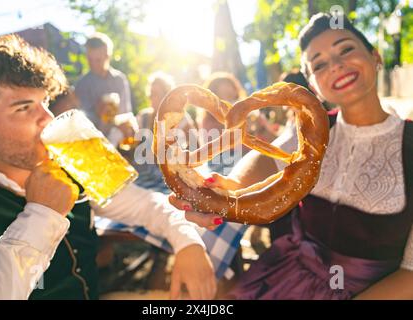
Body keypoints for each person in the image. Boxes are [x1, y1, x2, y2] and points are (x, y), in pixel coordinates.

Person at [170, 13, 413, 299]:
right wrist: (228, 187)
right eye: (319, 64)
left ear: (375, 57)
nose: (335, 66)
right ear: (312, 85)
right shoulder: (311, 130)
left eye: (346, 49)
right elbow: (266, 158)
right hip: (283, 274)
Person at [0, 35, 217, 300]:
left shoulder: (72, 158)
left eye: (45, 103)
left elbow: (147, 205)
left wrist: (188, 243)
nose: (48, 119)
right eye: (24, 108)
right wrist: (42, 215)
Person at [74, 32, 135, 144]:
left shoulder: (119, 80)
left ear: (108, 56)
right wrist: (97, 112)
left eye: (97, 60)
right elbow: (80, 122)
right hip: (93, 142)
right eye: (90, 59)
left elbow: (125, 113)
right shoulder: (82, 84)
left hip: (119, 141)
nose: (93, 64)